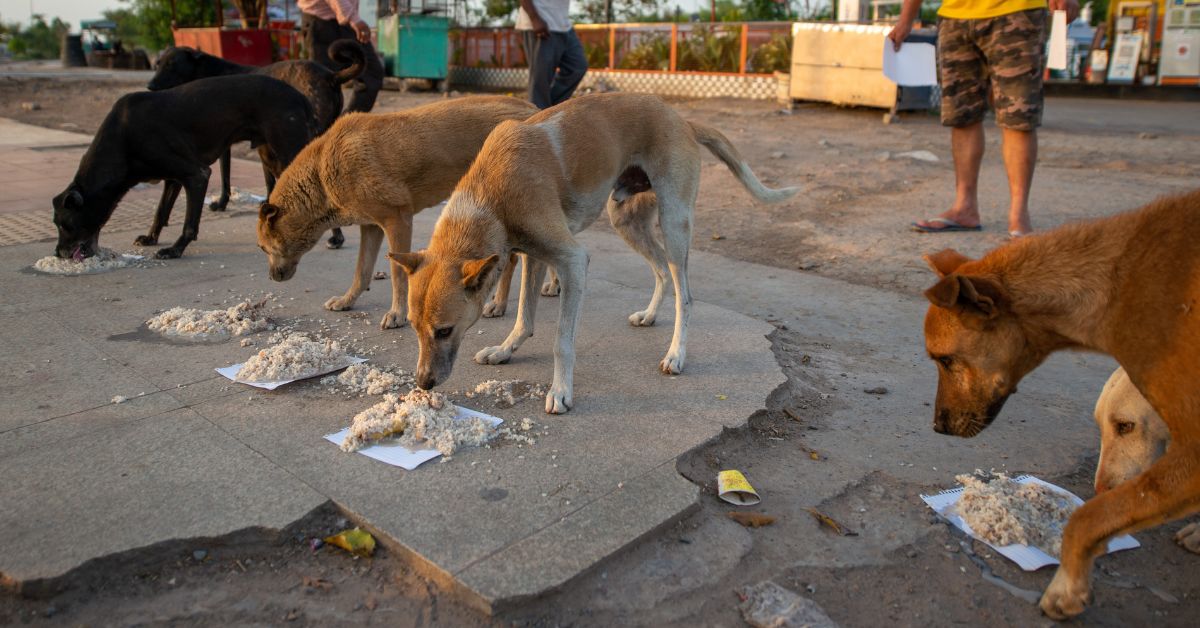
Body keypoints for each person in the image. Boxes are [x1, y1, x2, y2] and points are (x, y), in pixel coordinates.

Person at [890, 0, 1079, 236]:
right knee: (962, 116)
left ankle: (1018, 217)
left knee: (1018, 115)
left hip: (1016, 12)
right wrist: (906, 20)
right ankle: (964, 208)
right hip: (954, 16)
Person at [298, 0, 385, 112]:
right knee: (322, 84)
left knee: (371, 72)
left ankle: (348, 124)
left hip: (345, 22)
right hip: (321, 22)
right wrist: (354, 19)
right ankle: (322, 127)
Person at [516, 0, 588, 109]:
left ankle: (548, 110)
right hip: (541, 23)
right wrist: (535, 18)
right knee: (541, 78)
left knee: (578, 66)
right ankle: (536, 118)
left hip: (563, 25)